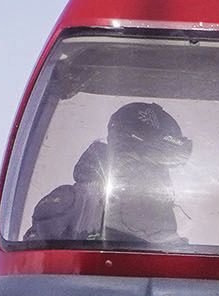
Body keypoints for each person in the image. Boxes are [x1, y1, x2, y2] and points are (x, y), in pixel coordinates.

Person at [26, 101, 192, 246]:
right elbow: (34, 267)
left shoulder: (160, 213)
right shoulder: (77, 203)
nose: (159, 171)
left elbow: (174, 266)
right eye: (154, 160)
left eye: (164, 164)